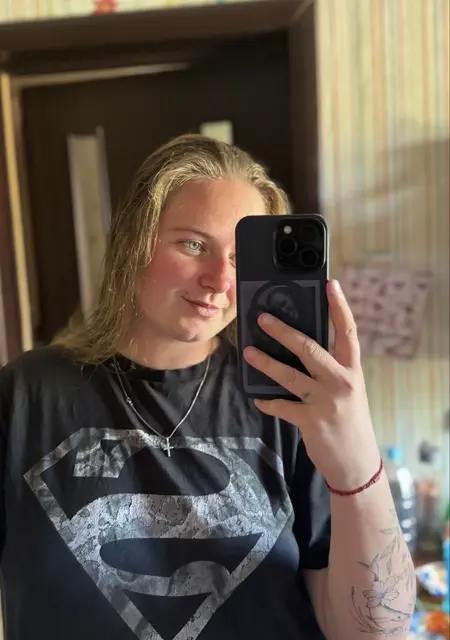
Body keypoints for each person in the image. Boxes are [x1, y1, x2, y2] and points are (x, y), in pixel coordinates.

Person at [0, 134, 415, 640]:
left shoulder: (290, 404)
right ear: (134, 242)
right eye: (193, 245)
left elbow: (377, 632)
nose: (219, 280)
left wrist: (360, 462)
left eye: (242, 259)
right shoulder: (24, 396)